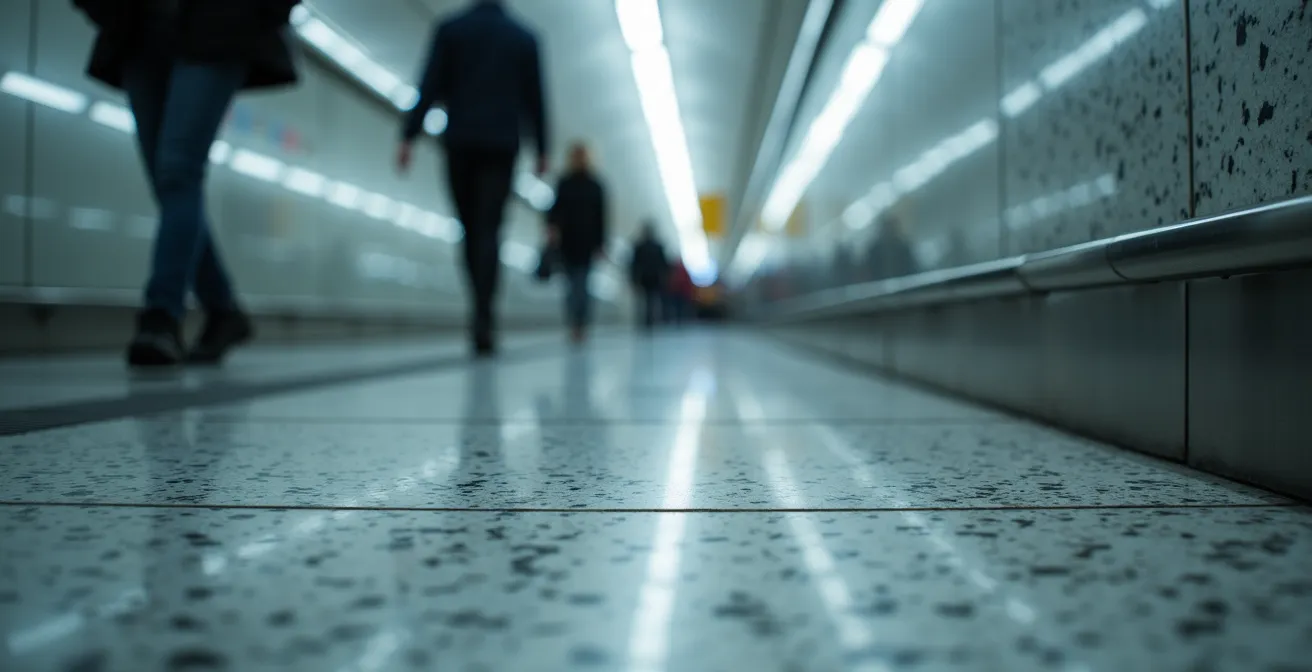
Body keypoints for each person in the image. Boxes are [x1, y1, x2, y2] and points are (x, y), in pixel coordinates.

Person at [72, 0, 300, 367]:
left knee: (178, 171)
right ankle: (222, 310)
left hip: (218, 25)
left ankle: (161, 317)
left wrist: (257, 12)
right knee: (168, 183)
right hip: (138, 30)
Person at [397, 0, 550, 357]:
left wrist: (409, 134)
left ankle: (478, 308)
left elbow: (430, 83)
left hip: (461, 142)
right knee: (490, 229)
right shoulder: (525, 38)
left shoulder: (451, 30)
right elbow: (536, 99)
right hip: (502, 145)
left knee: (469, 228)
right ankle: (486, 311)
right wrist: (542, 148)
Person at [547, 142, 607, 344]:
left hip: (587, 243)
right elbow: (554, 209)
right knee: (571, 285)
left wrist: (601, 244)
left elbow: (601, 218)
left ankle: (581, 322)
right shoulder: (564, 183)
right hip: (568, 243)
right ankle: (574, 321)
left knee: (581, 284)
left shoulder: (596, 185)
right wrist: (552, 228)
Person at [628, 223, 668, 331]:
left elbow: (634, 264)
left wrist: (634, 278)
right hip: (654, 277)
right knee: (652, 299)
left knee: (646, 299)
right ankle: (650, 320)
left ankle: (647, 320)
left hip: (644, 277)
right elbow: (663, 264)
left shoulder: (639, 246)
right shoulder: (658, 247)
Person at [664, 257, 694, 326]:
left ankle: (679, 320)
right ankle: (680, 320)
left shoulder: (675, 270)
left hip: (679, 292)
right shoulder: (679, 270)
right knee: (679, 307)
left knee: (679, 307)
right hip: (678, 292)